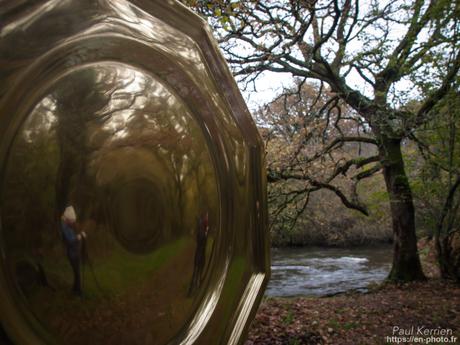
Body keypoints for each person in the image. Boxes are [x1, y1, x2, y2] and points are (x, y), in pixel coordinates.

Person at [60, 206, 86, 295]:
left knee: (76, 272)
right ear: (68, 219)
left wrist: (80, 234)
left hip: (74, 252)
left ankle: (74, 289)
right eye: (72, 221)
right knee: (77, 273)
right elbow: (71, 240)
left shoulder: (67, 225)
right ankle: (78, 291)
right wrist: (79, 236)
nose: (73, 222)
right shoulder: (65, 227)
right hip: (72, 253)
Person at [188, 212, 209, 296]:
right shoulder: (201, 229)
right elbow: (202, 239)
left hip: (200, 252)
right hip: (199, 253)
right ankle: (192, 291)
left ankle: (196, 288)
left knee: (198, 271)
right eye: (206, 219)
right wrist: (206, 233)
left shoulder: (202, 228)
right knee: (197, 271)